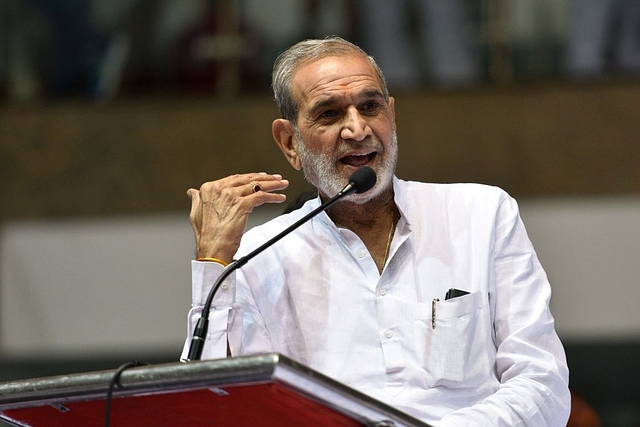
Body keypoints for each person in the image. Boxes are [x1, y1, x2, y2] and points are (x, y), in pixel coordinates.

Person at [182, 36, 570, 426]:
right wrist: (214, 262)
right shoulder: (258, 257)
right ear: (290, 142)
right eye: (330, 114)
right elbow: (213, 409)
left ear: (392, 116)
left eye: (370, 106)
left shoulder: (481, 215)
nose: (357, 128)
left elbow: (542, 384)